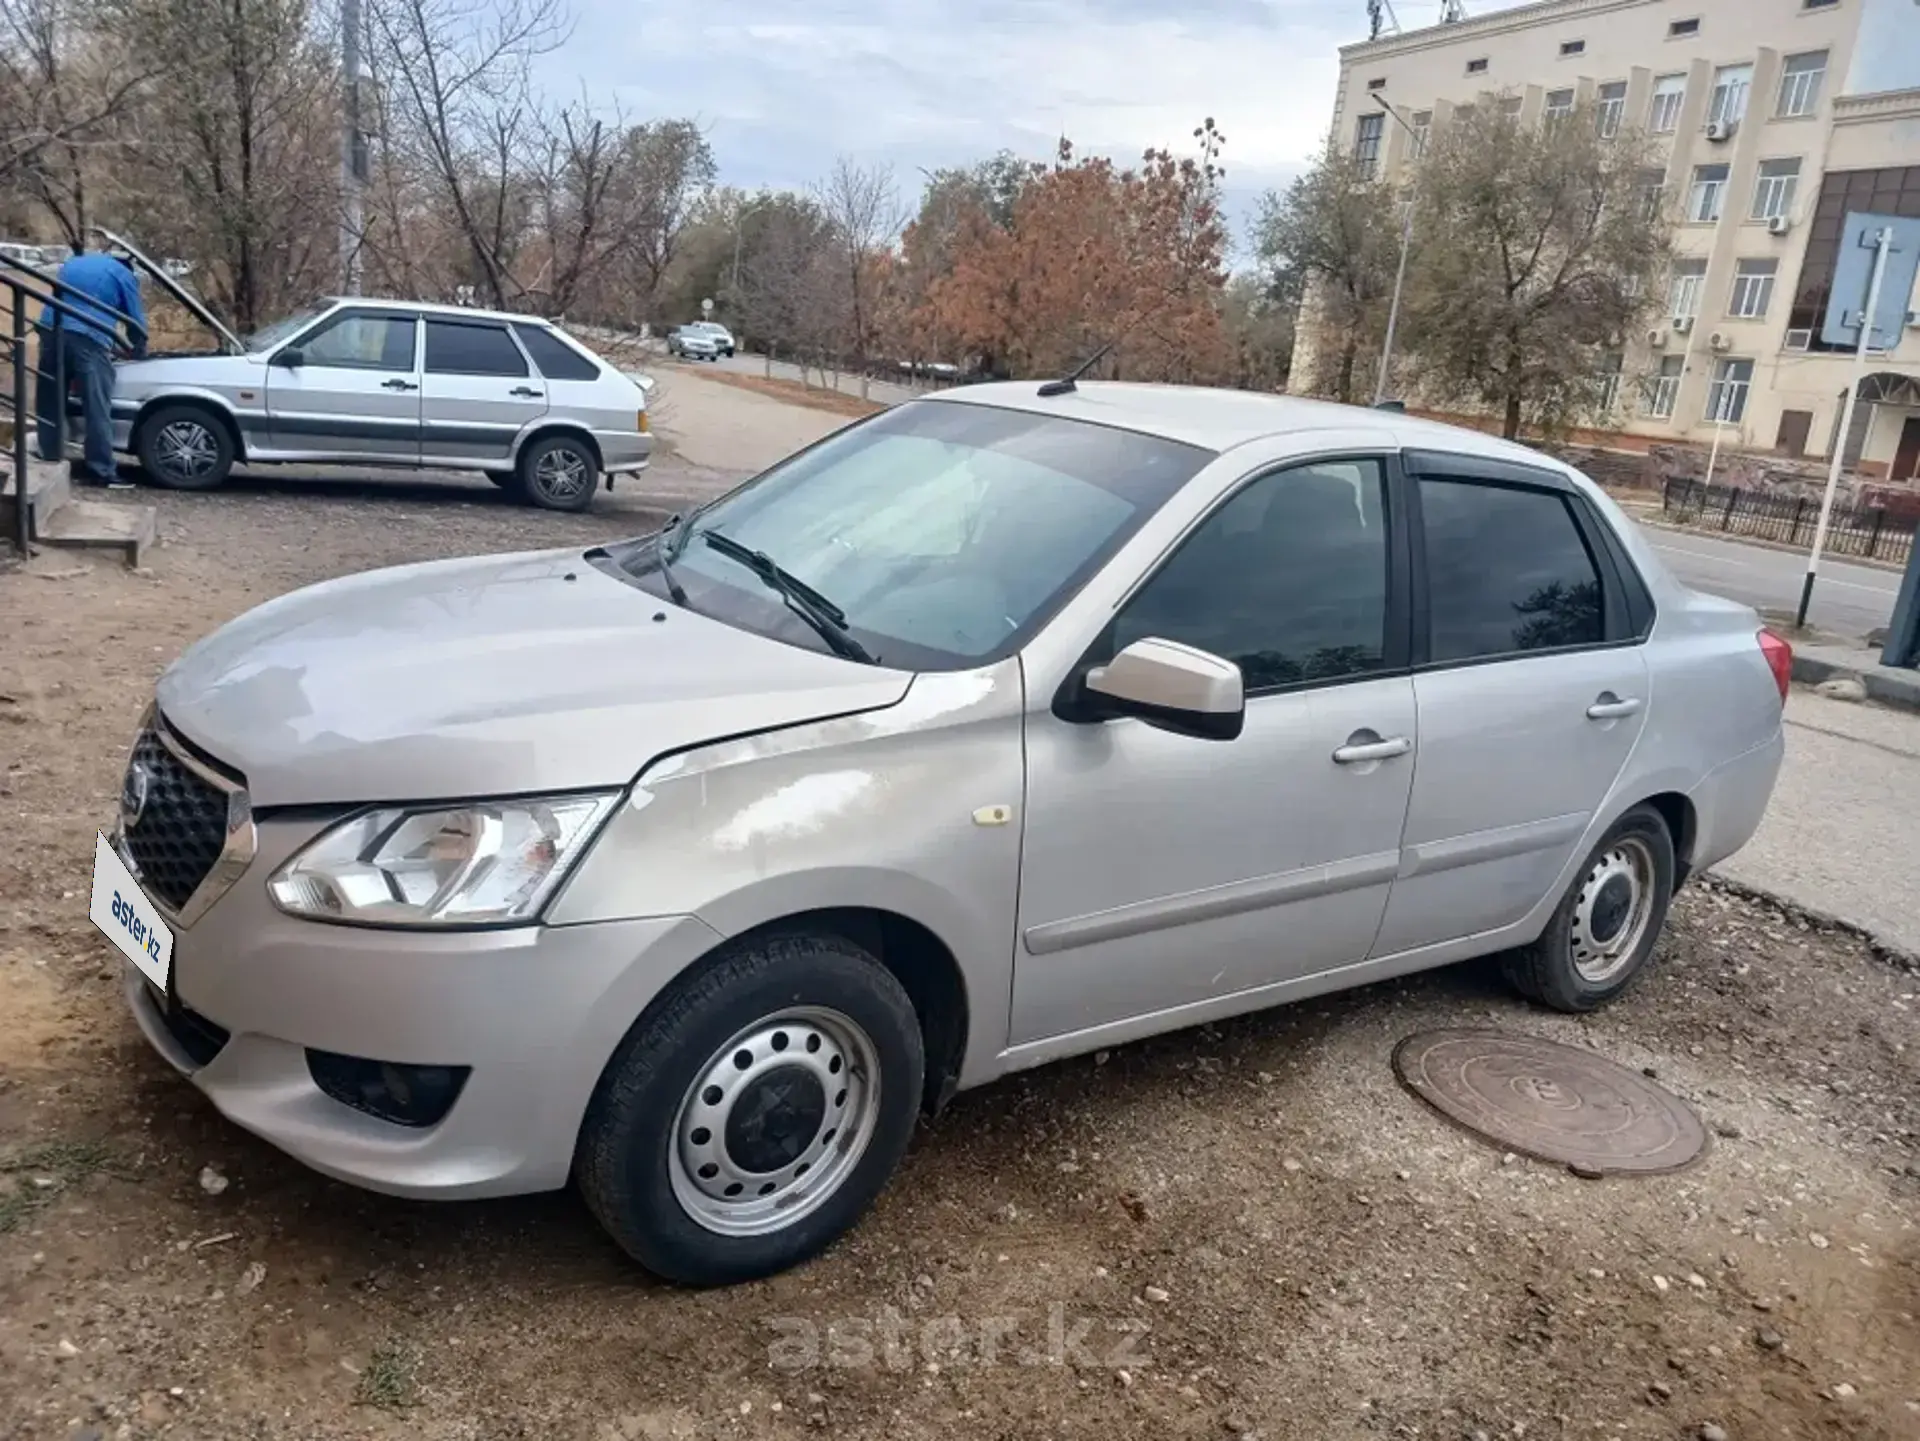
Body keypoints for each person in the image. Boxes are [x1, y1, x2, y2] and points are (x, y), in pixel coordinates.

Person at [35, 247, 147, 489]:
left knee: (49, 400)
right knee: (97, 405)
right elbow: (135, 320)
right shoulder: (123, 274)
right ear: (128, 263)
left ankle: (49, 456)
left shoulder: (74, 263)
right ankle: (102, 471)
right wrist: (139, 350)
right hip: (88, 336)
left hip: (50, 330)